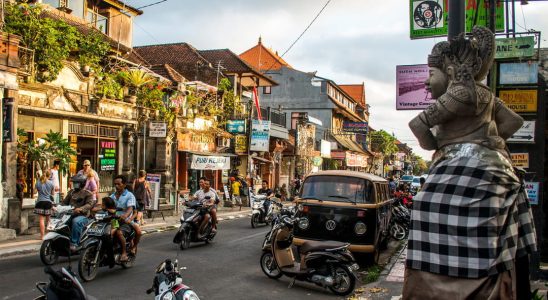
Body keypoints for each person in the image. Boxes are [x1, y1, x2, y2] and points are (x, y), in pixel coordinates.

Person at [405, 26, 536, 299]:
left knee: (425, 205)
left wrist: (441, 144)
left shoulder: (456, 95)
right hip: (499, 171)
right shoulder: (486, 95)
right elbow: (514, 122)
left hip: (461, 169)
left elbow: (417, 125)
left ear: (450, 72)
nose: (427, 83)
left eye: (431, 74)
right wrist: (491, 141)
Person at [110, 174, 141, 260]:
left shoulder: (130, 196)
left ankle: (124, 252)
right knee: (107, 232)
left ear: (124, 185)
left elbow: (131, 209)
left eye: (118, 184)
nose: (116, 186)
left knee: (120, 233)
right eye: (115, 184)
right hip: (113, 220)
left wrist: (126, 216)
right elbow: (106, 205)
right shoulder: (112, 196)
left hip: (125, 220)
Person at [62, 174, 94, 251]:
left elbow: (89, 204)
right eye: (74, 182)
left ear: (82, 183)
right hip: (69, 214)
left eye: (77, 183)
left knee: (75, 222)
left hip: (83, 216)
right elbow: (64, 202)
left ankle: (74, 243)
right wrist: (57, 207)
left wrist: (80, 209)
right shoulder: (71, 192)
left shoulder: (88, 193)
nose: (74, 184)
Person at [34, 170, 54, 239]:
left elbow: (34, 192)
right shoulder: (51, 183)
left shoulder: (38, 182)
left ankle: (42, 236)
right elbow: (53, 194)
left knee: (41, 220)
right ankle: (48, 235)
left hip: (40, 202)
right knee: (48, 220)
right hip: (48, 202)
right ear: (50, 175)